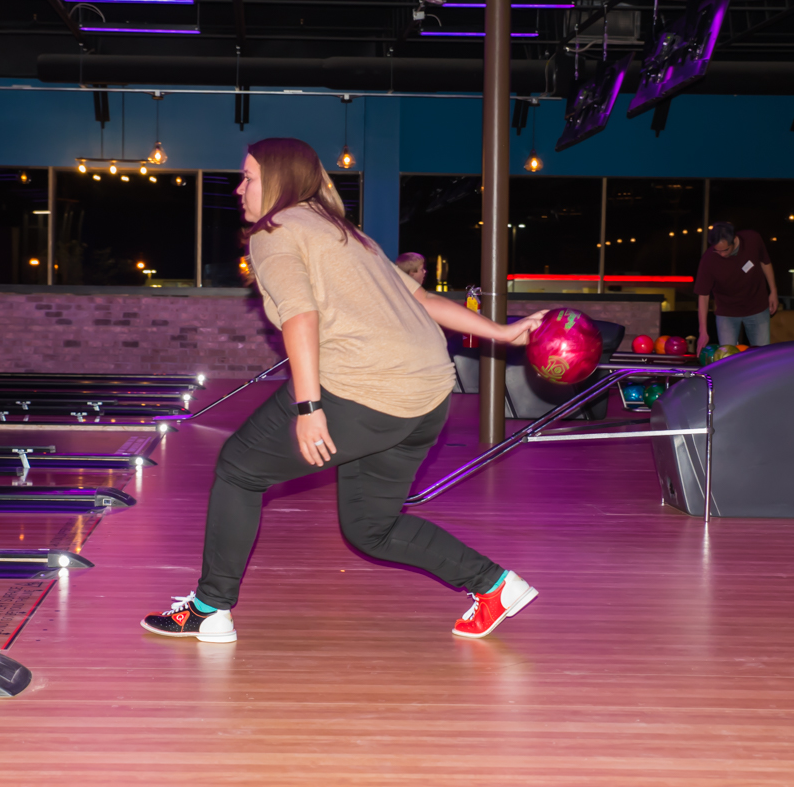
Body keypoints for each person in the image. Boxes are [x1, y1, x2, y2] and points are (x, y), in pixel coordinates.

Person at [141, 138, 546, 643]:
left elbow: (300, 316)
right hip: (427, 396)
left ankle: (209, 609)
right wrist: (503, 333)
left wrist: (309, 407)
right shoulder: (347, 234)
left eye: (249, 177)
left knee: (239, 470)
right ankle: (494, 586)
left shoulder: (275, 231)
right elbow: (419, 297)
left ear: (282, 181)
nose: (239, 187)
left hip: (362, 390)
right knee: (370, 526)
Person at [694, 222, 778, 350]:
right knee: (727, 357)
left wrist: (773, 291)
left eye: (725, 250)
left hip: (757, 307)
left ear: (734, 239)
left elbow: (765, 262)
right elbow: (703, 296)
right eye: (717, 250)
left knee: (762, 355)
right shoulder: (708, 259)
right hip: (727, 312)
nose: (721, 254)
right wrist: (703, 332)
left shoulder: (753, 240)